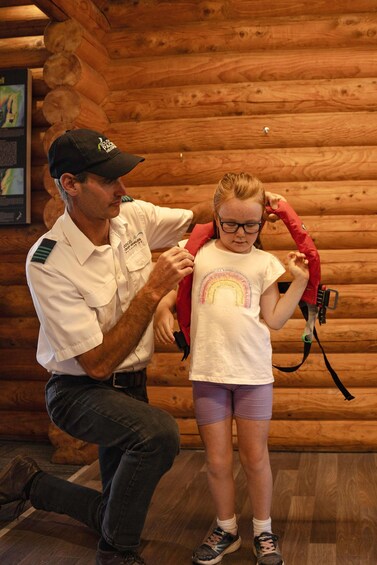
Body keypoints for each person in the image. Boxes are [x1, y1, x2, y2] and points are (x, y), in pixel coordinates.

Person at [0, 128, 200, 565]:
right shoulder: (49, 261)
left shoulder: (130, 215)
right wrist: (154, 292)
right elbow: (95, 364)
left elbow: (199, 223)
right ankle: (115, 554)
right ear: (70, 184)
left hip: (130, 383)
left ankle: (29, 482)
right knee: (159, 434)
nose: (122, 190)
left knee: (116, 509)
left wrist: (249, 207)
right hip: (79, 392)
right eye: (109, 180)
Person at [154, 172, 309, 565]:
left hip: (254, 378)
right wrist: (161, 307)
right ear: (216, 216)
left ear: (262, 222)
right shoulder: (199, 253)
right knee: (218, 460)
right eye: (231, 223)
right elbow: (173, 289)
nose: (240, 233)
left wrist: (300, 281)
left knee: (255, 458)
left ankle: (263, 530)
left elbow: (274, 319)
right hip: (208, 375)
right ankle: (226, 527)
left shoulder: (264, 263)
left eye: (250, 225)